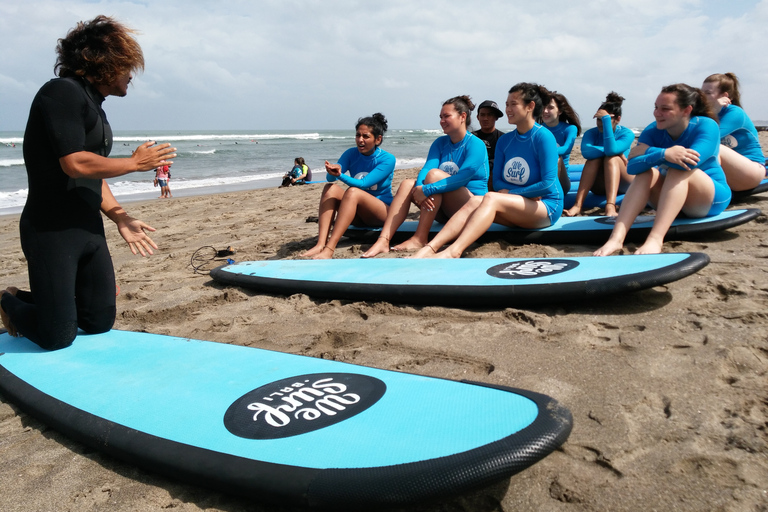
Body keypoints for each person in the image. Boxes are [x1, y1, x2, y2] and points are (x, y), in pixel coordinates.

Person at [0, 16, 176, 350]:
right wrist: (135, 163)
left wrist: (121, 217)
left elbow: (92, 172)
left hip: (87, 227)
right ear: (108, 63)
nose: (131, 77)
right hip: (51, 229)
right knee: (57, 336)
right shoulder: (61, 93)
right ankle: (8, 301)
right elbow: (75, 163)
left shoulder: (95, 105)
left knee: (98, 322)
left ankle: (34, 298)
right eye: (128, 68)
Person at [412, 83, 562, 259]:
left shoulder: (543, 137)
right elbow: (497, 182)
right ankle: (430, 248)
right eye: (507, 104)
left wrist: (513, 192)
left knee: (490, 197)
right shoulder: (505, 141)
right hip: (518, 203)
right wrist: (518, 194)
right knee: (476, 200)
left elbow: (548, 184)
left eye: (513, 104)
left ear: (530, 107)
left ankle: (454, 251)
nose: (508, 109)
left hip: (545, 207)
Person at [594, 83, 731, 257]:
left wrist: (648, 152)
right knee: (646, 173)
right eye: (656, 107)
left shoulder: (706, 126)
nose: (657, 113)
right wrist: (665, 153)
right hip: (671, 198)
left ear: (686, 110)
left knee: (679, 169)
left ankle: (655, 239)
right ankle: (616, 239)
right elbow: (633, 167)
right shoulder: (654, 129)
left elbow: (690, 163)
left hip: (710, 199)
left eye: (665, 109)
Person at [361, 96, 488, 258]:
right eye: (440, 117)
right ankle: (383, 240)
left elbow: (463, 177)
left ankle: (420, 237)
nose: (442, 121)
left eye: (446, 116)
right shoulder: (440, 143)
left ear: (463, 117)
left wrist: (427, 189)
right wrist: (420, 187)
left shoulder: (476, 145)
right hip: (444, 209)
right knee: (408, 183)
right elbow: (427, 167)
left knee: (434, 176)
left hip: (470, 209)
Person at [300, 113, 395, 259]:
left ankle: (329, 249)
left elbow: (364, 184)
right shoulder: (351, 153)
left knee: (353, 192)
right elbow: (330, 178)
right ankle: (320, 244)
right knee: (329, 189)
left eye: (366, 136)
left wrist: (340, 175)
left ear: (378, 139)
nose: (360, 140)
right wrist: (333, 170)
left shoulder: (387, 159)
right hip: (357, 213)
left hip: (381, 213)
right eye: (358, 135)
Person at [564, 92, 635, 217]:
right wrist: (619, 153)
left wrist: (614, 153)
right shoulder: (590, 134)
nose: (600, 123)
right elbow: (586, 152)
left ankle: (610, 205)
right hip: (599, 185)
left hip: (624, 182)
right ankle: (577, 205)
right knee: (593, 160)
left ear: (617, 119)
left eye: (605, 119)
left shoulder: (627, 134)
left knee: (611, 159)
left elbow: (611, 151)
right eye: (598, 119)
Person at [701, 73, 767, 191]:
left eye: (708, 93)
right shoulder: (704, 115)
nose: (702, 97)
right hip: (728, 173)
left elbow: (709, 137)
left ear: (724, 96)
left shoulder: (735, 113)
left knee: (716, 148)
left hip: (752, 170)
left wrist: (714, 111)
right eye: (701, 92)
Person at [540, 90, 581, 194]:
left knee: (557, 158)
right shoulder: (538, 129)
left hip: (562, 182)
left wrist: (544, 152)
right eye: (543, 107)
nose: (545, 111)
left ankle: (551, 197)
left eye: (550, 107)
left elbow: (566, 149)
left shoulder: (570, 129)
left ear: (560, 111)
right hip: (539, 179)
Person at [472, 100, 505, 191]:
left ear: (496, 117)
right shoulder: (471, 138)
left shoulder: (503, 139)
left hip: (495, 177)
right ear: (478, 117)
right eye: (482, 115)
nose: (485, 118)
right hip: (474, 174)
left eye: (490, 115)